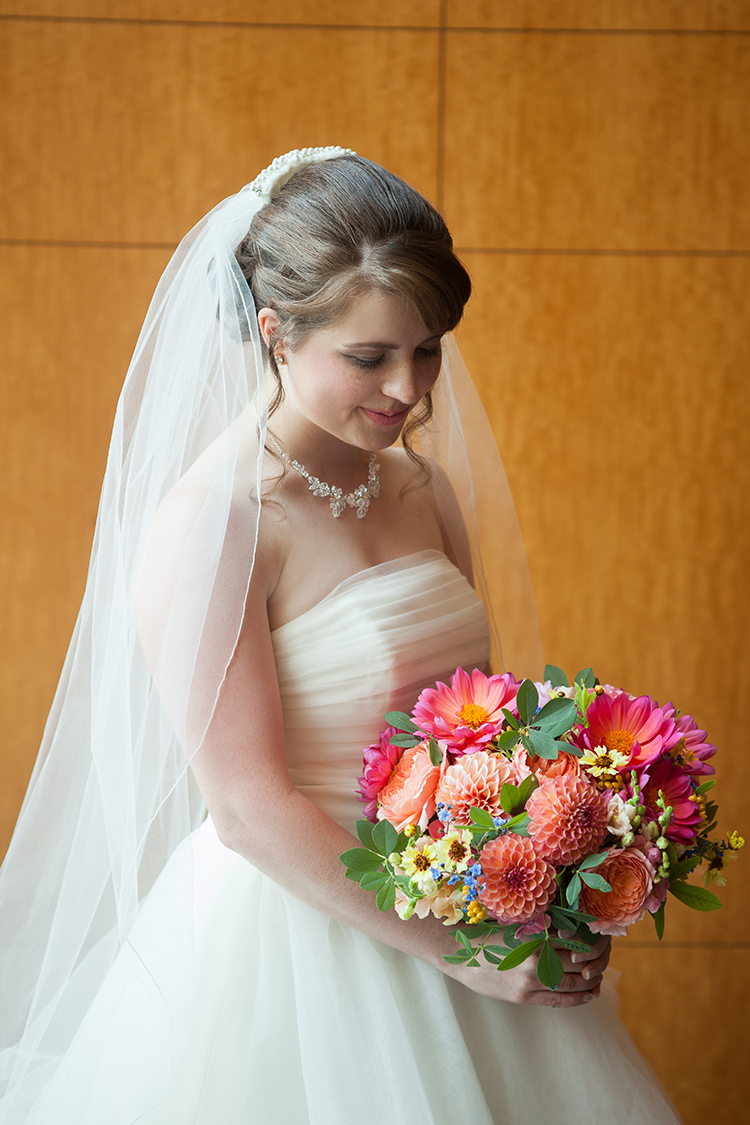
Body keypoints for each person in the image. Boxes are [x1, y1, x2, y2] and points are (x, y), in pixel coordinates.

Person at [0, 148, 682, 1123]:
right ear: (277, 335)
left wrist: (546, 870)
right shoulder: (218, 519)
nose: (408, 389)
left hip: (455, 892)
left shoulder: (419, 485)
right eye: (369, 357)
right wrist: (466, 961)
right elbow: (246, 806)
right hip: (295, 939)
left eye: (429, 348)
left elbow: (474, 728)